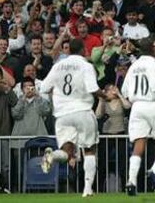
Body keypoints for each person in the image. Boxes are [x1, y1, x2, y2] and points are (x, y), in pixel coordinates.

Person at [39, 39, 105, 197]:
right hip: (82, 110)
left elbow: (43, 88)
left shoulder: (57, 66)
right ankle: (88, 189)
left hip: (62, 114)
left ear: (68, 51)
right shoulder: (86, 66)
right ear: (83, 50)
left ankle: (52, 156)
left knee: (67, 152)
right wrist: (106, 96)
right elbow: (92, 88)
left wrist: (56, 99)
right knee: (89, 150)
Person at [121, 35, 155, 196]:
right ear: (151, 48)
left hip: (137, 106)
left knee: (139, 142)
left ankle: (131, 181)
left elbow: (124, 91)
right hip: (154, 104)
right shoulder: (154, 64)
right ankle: (154, 170)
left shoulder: (134, 65)